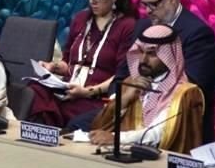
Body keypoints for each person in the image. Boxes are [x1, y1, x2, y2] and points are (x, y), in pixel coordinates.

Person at [68, 0, 215, 141]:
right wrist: (120, 101)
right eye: (144, 4)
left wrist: (145, 90)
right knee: (77, 126)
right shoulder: (143, 26)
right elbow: (122, 75)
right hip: (130, 107)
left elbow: (190, 88)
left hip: (168, 116)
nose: (147, 11)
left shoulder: (197, 33)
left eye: (153, 5)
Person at [27, 0, 137, 127]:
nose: (92, 1)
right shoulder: (81, 19)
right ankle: (48, 130)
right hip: (70, 90)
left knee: (63, 112)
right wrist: (52, 67)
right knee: (35, 88)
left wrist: (87, 92)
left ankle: (53, 128)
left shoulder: (127, 26)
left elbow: (122, 76)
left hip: (95, 98)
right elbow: (68, 63)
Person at [87, 24, 204, 152]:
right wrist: (125, 99)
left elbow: (159, 134)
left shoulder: (186, 93)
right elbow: (99, 126)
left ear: (169, 56)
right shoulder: (131, 83)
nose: (143, 60)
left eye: (151, 54)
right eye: (140, 52)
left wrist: (116, 138)